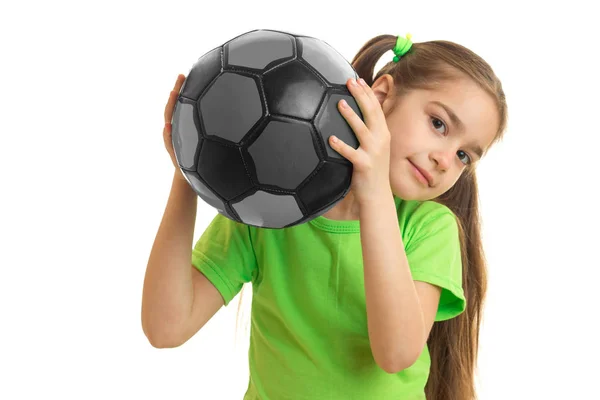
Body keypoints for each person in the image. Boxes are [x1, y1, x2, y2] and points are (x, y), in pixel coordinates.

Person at [142, 33, 508, 400]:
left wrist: (375, 192)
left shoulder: (429, 228)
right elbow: (166, 327)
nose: (445, 160)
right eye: (439, 124)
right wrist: (189, 171)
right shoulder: (270, 201)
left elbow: (395, 353)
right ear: (380, 96)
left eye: (464, 156)